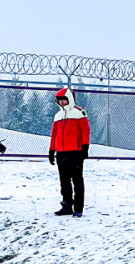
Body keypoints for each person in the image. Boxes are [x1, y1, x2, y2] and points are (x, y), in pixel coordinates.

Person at [49, 88, 91, 217]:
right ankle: (66, 205)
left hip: (75, 152)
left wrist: (84, 148)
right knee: (64, 181)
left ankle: (78, 207)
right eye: (59, 100)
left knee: (77, 180)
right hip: (61, 152)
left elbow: (85, 131)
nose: (62, 102)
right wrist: (52, 150)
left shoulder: (79, 113)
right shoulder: (58, 116)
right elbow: (54, 134)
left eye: (64, 100)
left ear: (69, 99)